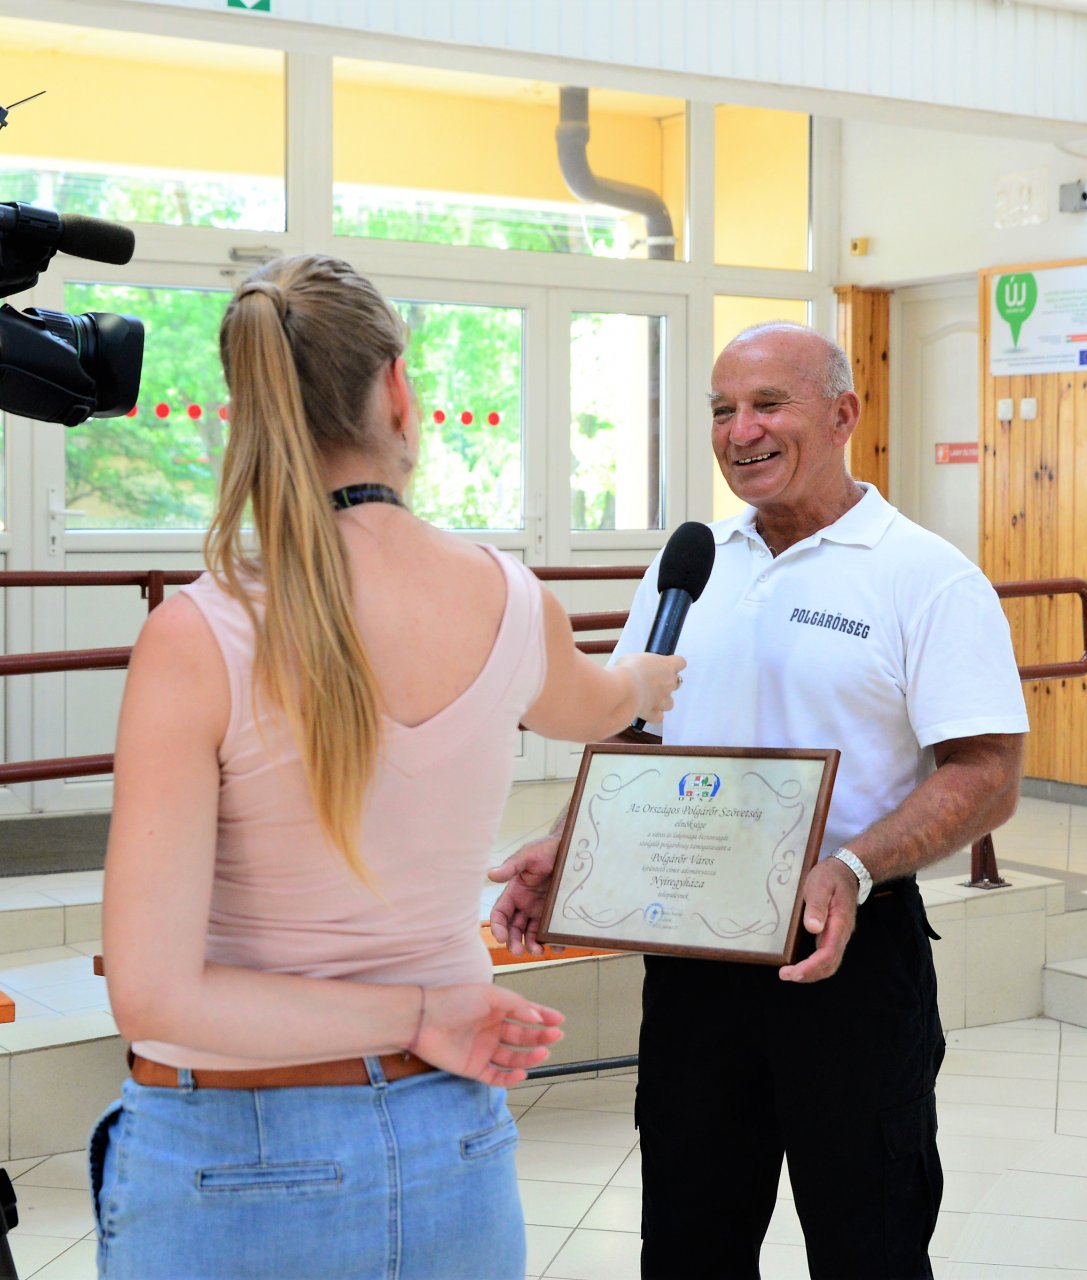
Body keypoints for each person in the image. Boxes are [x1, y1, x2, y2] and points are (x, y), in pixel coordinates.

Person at [95, 253, 685, 1279]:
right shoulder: (510, 600)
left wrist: (421, 1015)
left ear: (245, 408)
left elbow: (153, 994)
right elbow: (599, 701)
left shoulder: (201, 632)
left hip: (233, 1152)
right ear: (398, 387)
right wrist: (648, 678)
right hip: (449, 1139)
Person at [491, 322, 1028, 1279]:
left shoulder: (924, 576)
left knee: (869, 1243)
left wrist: (853, 866)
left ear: (842, 414)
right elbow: (636, 733)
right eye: (722, 410)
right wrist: (568, 840)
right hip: (694, 959)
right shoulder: (693, 561)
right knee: (689, 1244)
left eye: (768, 405)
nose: (741, 432)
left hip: (846, 959)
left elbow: (987, 770)